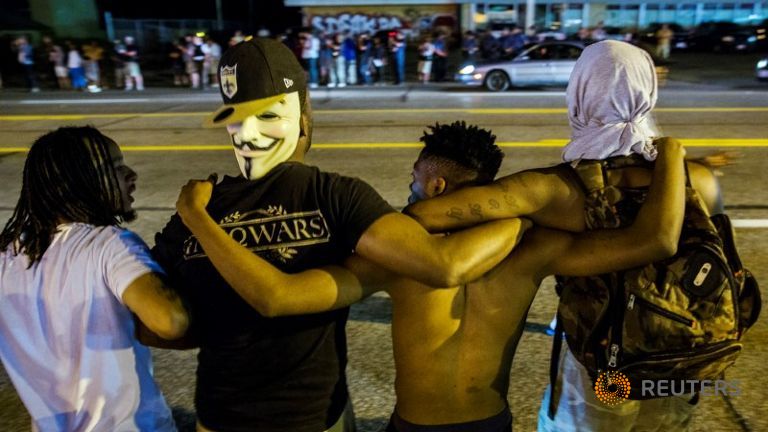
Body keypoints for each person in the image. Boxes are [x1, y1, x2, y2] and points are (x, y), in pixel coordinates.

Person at [174, 120, 686, 432]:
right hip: (489, 423)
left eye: (414, 178)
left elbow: (278, 296)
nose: (409, 188)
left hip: (416, 425)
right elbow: (653, 240)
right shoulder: (533, 247)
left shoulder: (392, 261)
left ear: (435, 182)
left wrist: (199, 217)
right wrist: (673, 159)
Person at [152, 37, 526, 432]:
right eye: (236, 117)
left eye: (265, 116)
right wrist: (526, 213)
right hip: (300, 417)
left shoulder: (203, 208)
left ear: (300, 116)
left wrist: (199, 229)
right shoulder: (335, 195)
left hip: (257, 416)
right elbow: (440, 263)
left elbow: (165, 325)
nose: (246, 135)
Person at [403, 40, 724, 432]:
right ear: (647, 92)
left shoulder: (553, 189)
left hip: (606, 370)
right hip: (682, 363)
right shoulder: (699, 180)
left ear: (580, 96)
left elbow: (425, 214)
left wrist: (520, 218)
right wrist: (673, 155)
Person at [0, 126, 189, 431]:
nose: (131, 174)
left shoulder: (7, 255)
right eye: (114, 167)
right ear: (73, 184)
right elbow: (172, 321)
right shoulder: (108, 244)